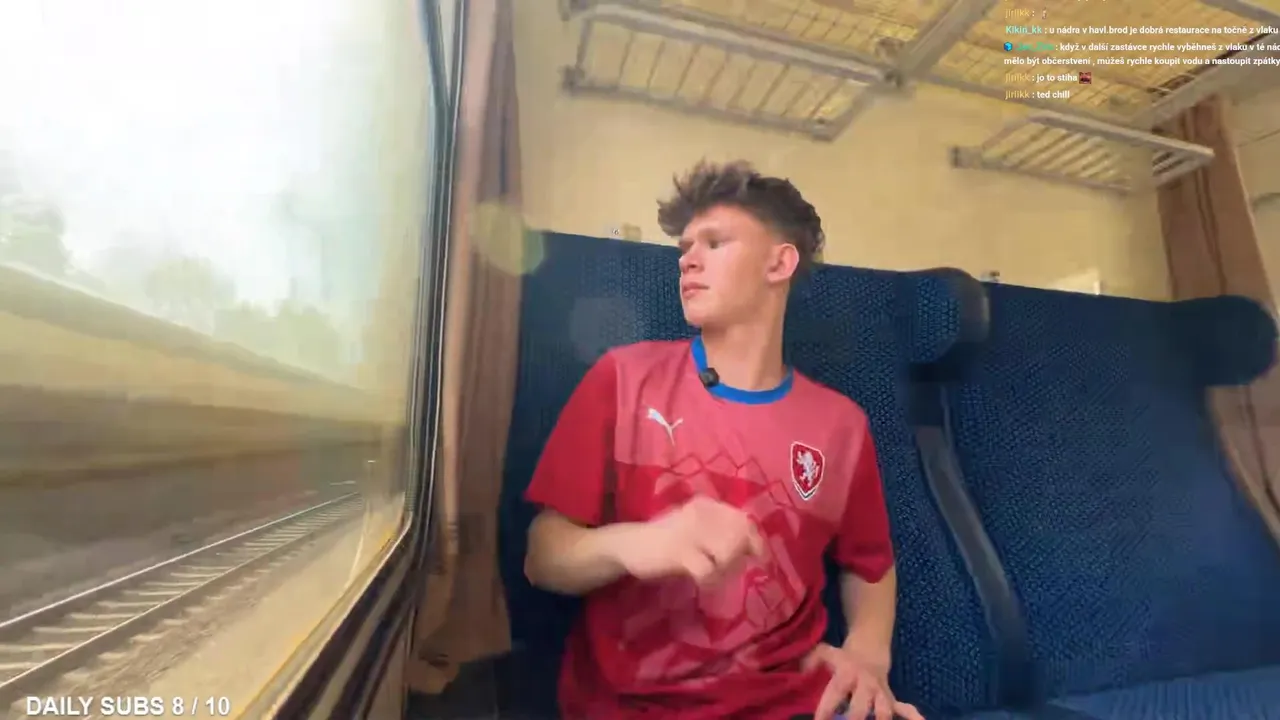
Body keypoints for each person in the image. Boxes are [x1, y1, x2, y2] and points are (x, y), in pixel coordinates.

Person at [523, 160, 924, 720]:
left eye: (715, 243)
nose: (687, 259)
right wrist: (634, 543)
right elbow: (542, 556)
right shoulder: (623, 379)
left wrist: (867, 655)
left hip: (791, 701)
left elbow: (870, 564)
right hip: (632, 705)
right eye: (685, 247)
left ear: (779, 263)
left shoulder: (841, 426)